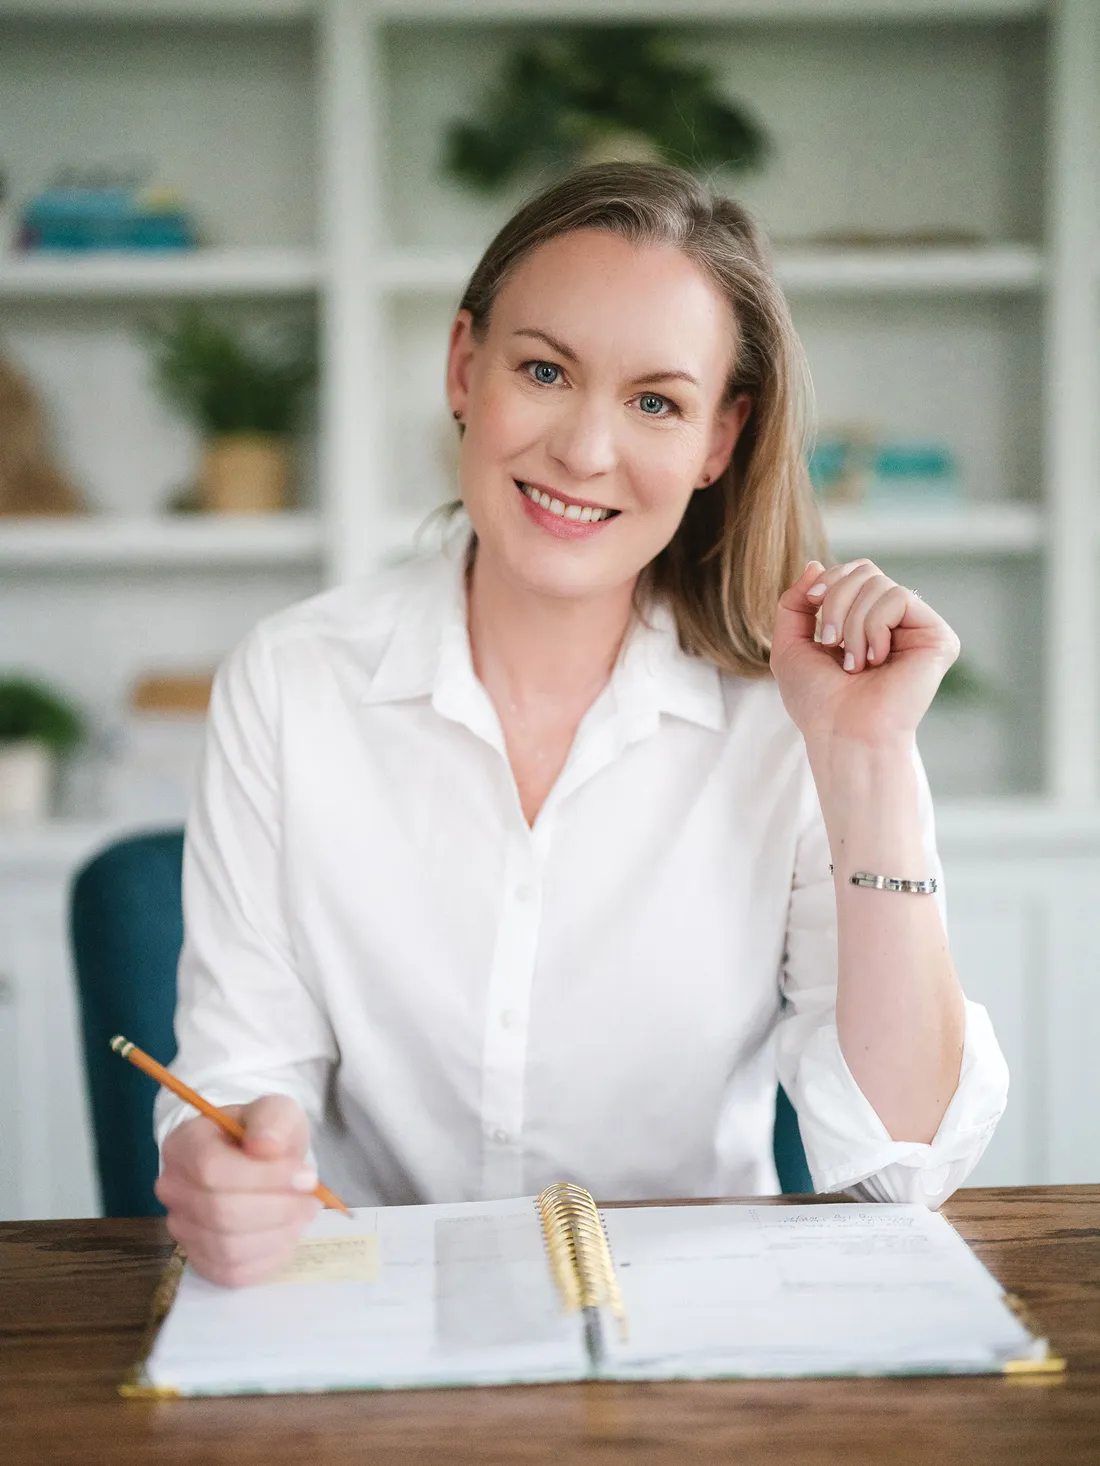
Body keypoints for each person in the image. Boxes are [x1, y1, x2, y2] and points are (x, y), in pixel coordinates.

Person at [154, 163, 1008, 1288]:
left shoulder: (791, 716)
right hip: (369, 1318)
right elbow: (241, 1072)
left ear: (719, 437)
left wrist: (864, 759)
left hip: (695, 1327)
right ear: (465, 366)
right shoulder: (292, 681)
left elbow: (905, 1166)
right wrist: (219, 1174)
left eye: (655, 401)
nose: (585, 451)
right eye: (545, 370)